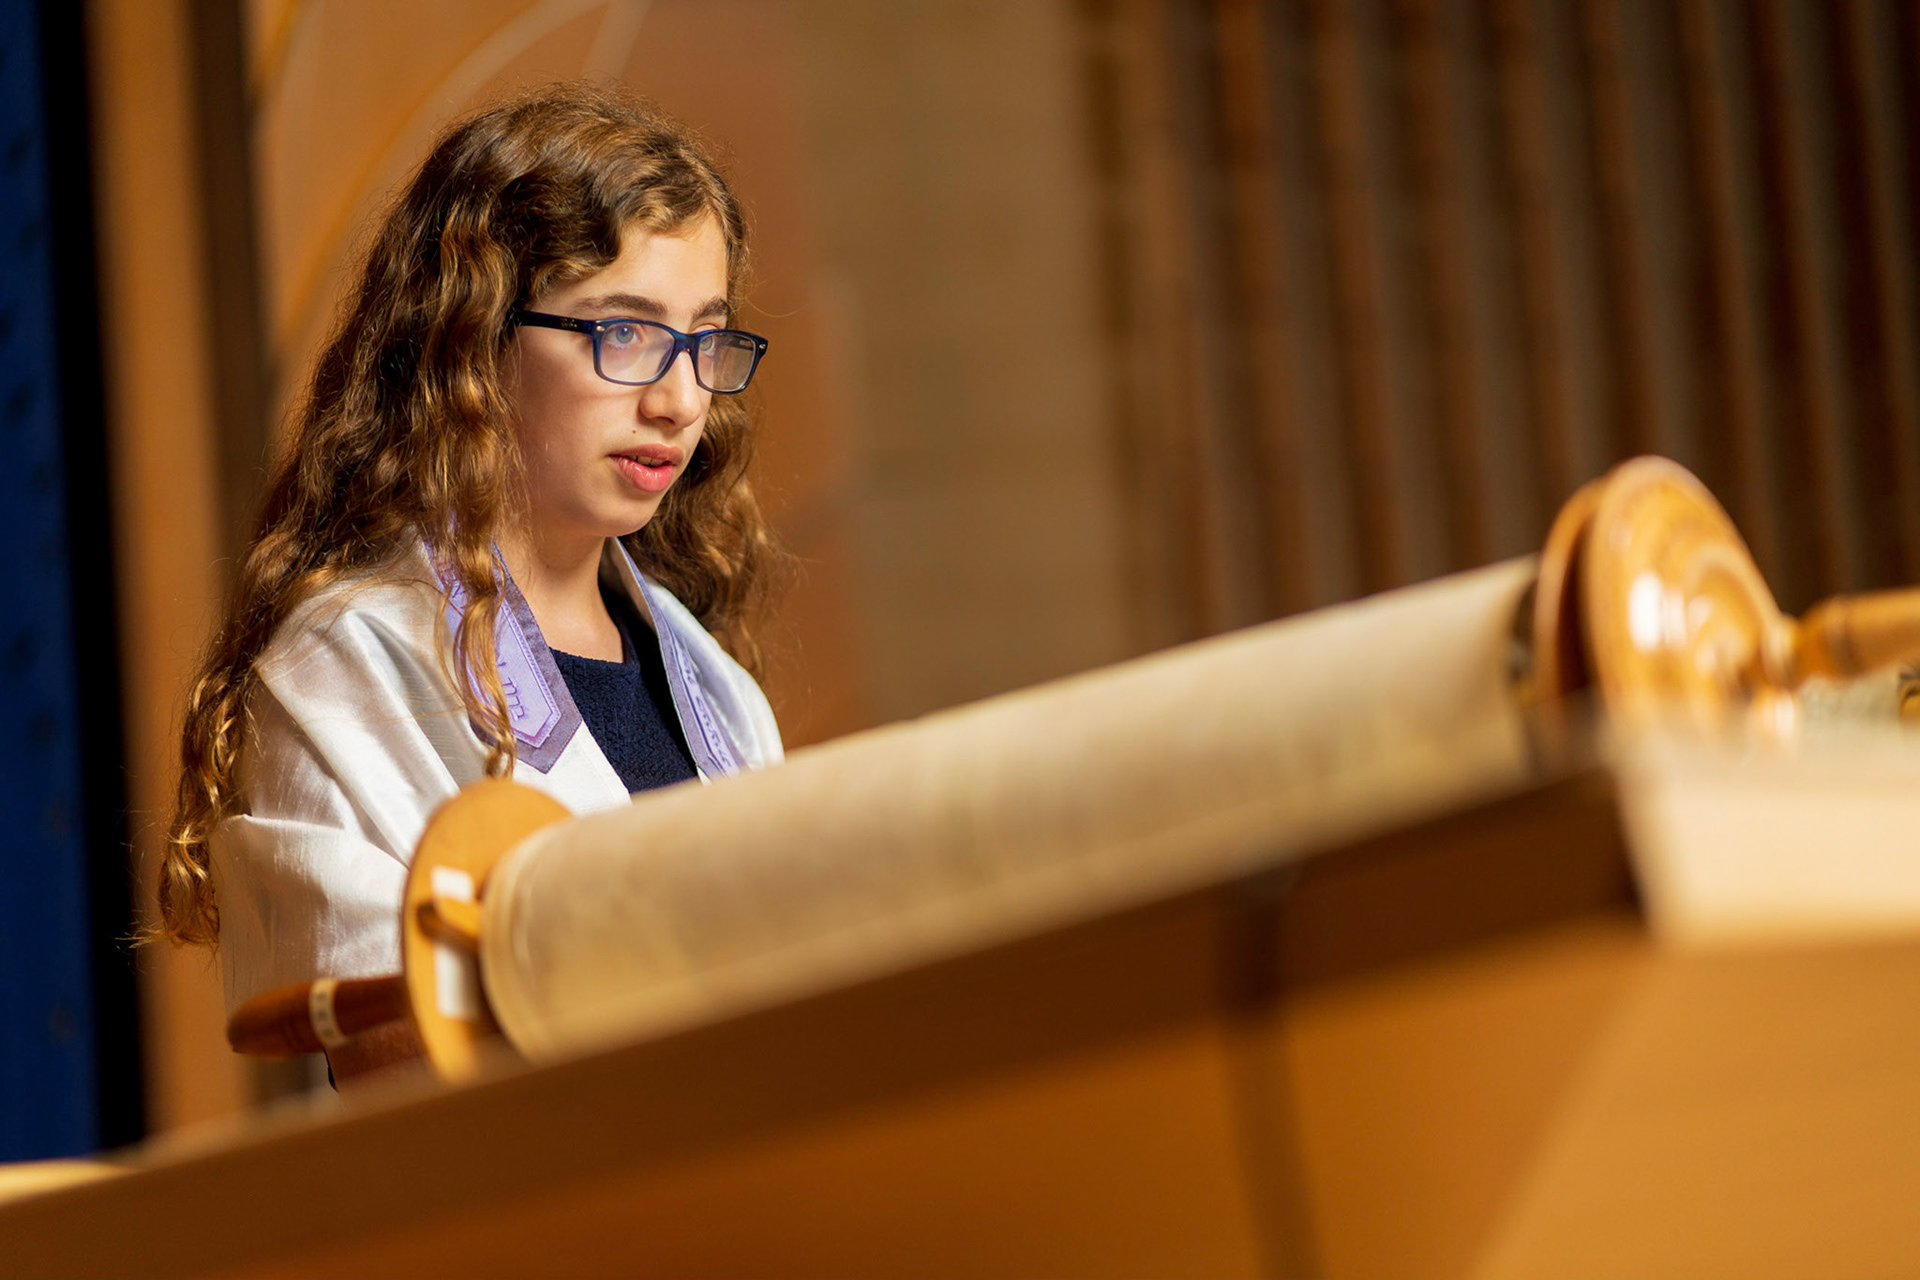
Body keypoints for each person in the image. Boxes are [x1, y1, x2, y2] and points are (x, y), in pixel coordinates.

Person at [155, 83, 785, 1080]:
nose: (679, 398)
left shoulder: (717, 688)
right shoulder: (347, 663)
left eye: (704, 338)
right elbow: (405, 1067)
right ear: (475, 336)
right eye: (623, 334)